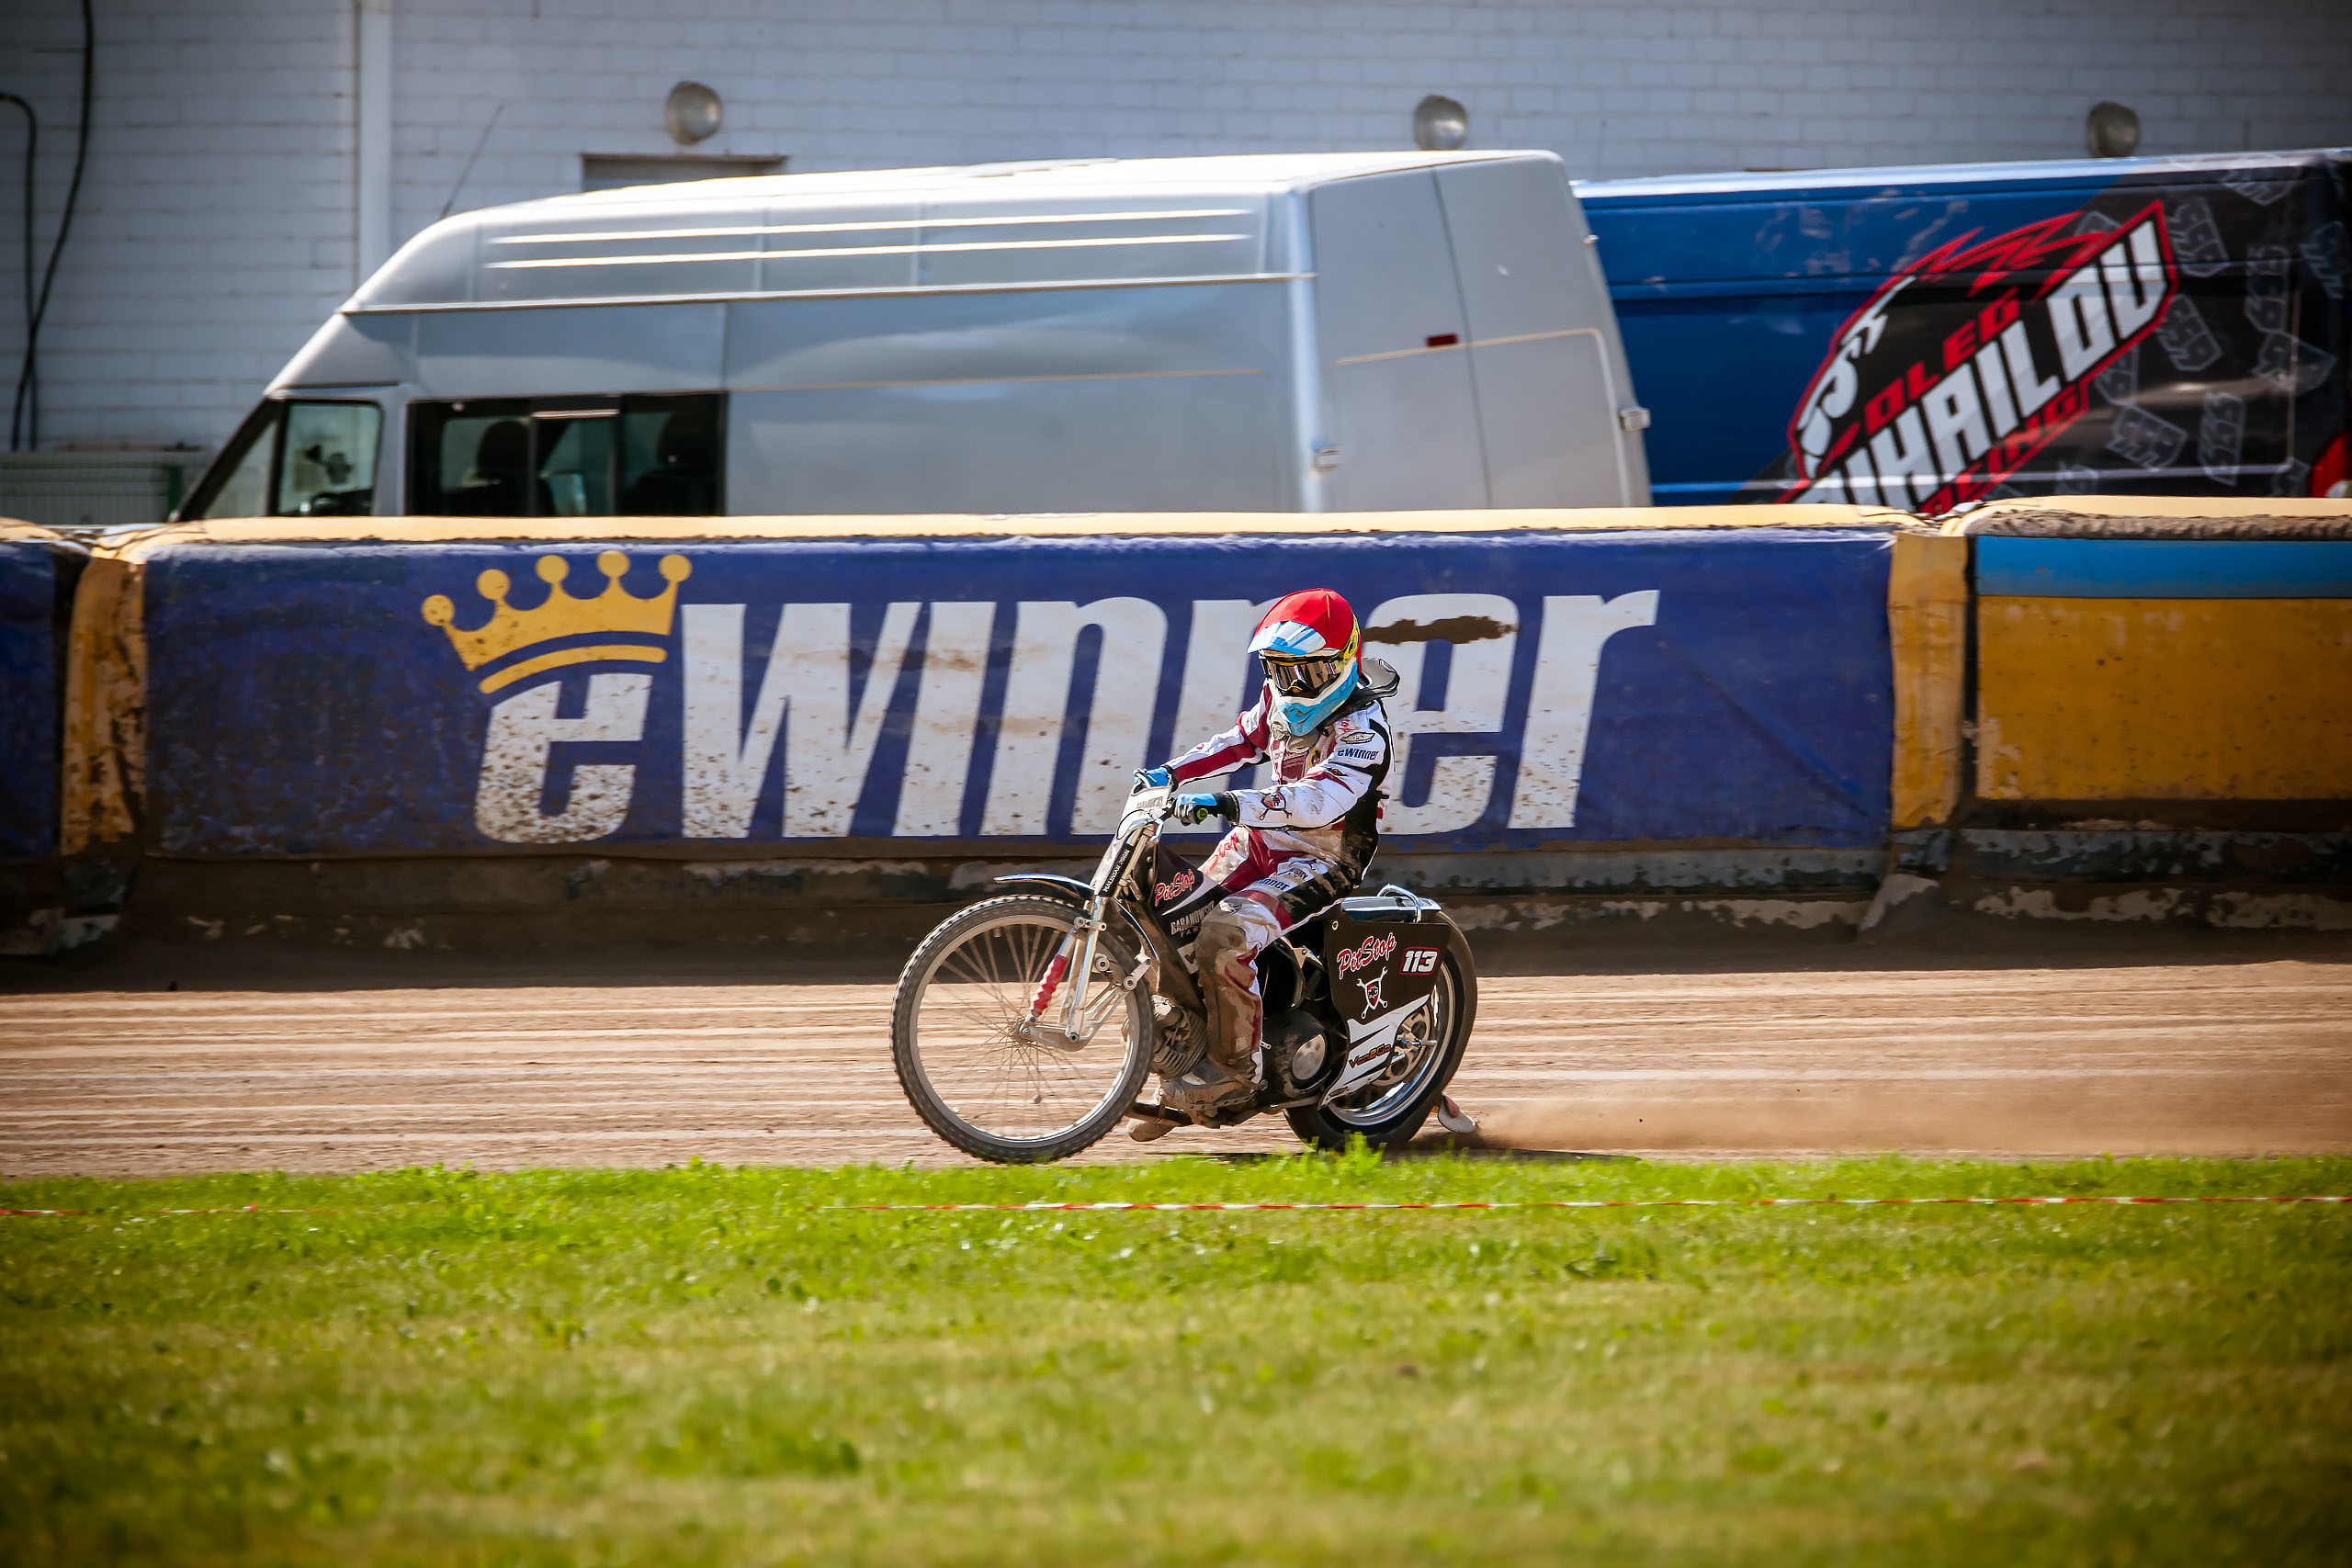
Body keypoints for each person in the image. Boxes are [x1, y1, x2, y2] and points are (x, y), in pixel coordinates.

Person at [1137, 588, 1397, 1124]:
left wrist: (1229, 801)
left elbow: (1315, 801)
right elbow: (1238, 740)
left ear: (1342, 663)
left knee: (1226, 935)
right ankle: (1182, 1053)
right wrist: (1172, 773)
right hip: (1262, 840)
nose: (1291, 687)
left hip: (1324, 858)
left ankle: (1236, 1070)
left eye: (1306, 674)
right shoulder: (1279, 698)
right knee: (1177, 917)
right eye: (1281, 672)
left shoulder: (1364, 728)